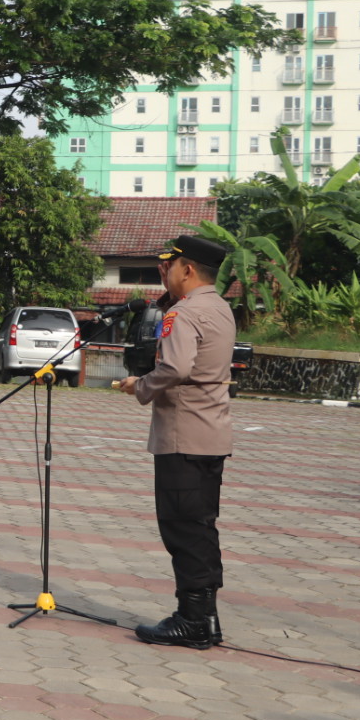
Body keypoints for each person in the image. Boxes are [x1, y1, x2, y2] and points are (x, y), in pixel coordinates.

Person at [117, 234, 237, 650]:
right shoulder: (221, 308)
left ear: (186, 269)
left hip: (183, 435)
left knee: (183, 529)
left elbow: (175, 367)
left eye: (168, 266)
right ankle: (205, 617)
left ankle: (193, 620)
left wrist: (139, 385)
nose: (164, 273)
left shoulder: (183, 315)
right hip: (212, 433)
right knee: (200, 526)